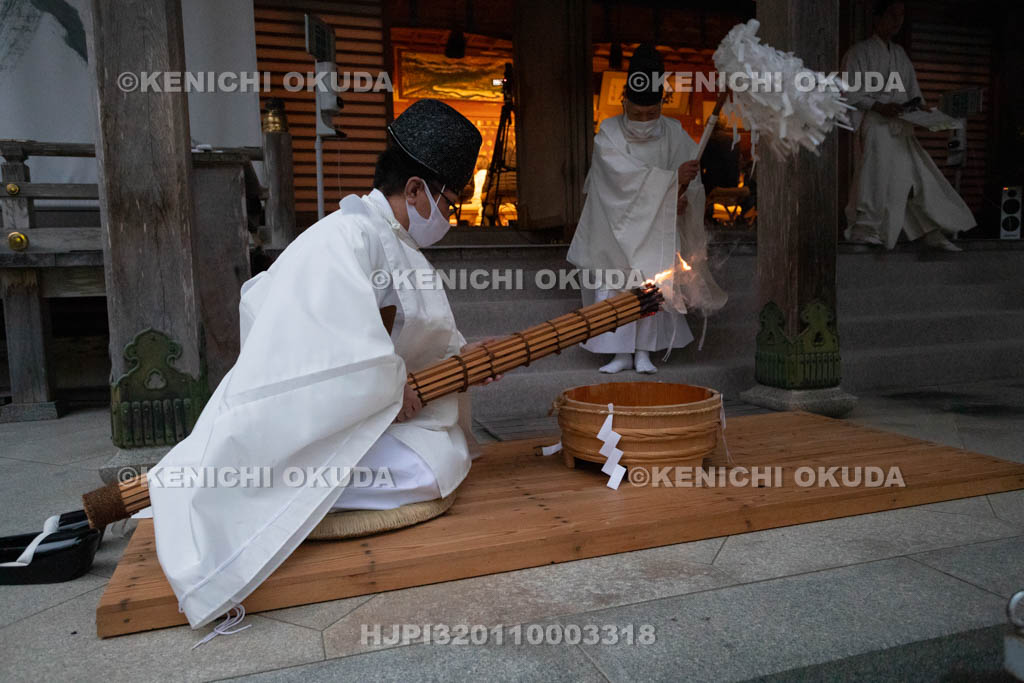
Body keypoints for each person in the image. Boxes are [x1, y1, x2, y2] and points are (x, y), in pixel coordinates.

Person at [148, 99, 484, 628]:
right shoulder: (347, 235)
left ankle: (288, 480)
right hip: (296, 417)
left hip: (355, 409)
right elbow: (325, 345)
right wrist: (391, 384)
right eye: (451, 201)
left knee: (441, 451)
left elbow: (414, 337)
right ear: (416, 190)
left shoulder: (391, 240)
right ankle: (262, 482)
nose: (451, 216)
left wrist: (454, 364)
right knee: (430, 467)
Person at [568, 44, 724, 374]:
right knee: (617, 283)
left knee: (651, 282)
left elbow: (692, 184)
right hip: (612, 226)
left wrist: (681, 197)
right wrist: (670, 185)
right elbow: (615, 179)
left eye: (651, 114)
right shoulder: (608, 132)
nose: (643, 121)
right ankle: (618, 351)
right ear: (624, 102)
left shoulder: (674, 133)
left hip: (658, 226)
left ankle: (643, 351)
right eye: (636, 114)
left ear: (661, 105)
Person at [842, 0, 975, 251]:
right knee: (876, 177)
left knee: (916, 177)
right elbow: (850, 93)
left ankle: (929, 228)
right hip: (877, 126)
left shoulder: (900, 55)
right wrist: (880, 106)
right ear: (877, 18)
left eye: (900, 16)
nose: (897, 22)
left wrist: (931, 115)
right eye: (892, 15)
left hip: (901, 126)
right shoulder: (859, 52)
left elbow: (914, 95)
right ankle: (865, 228)